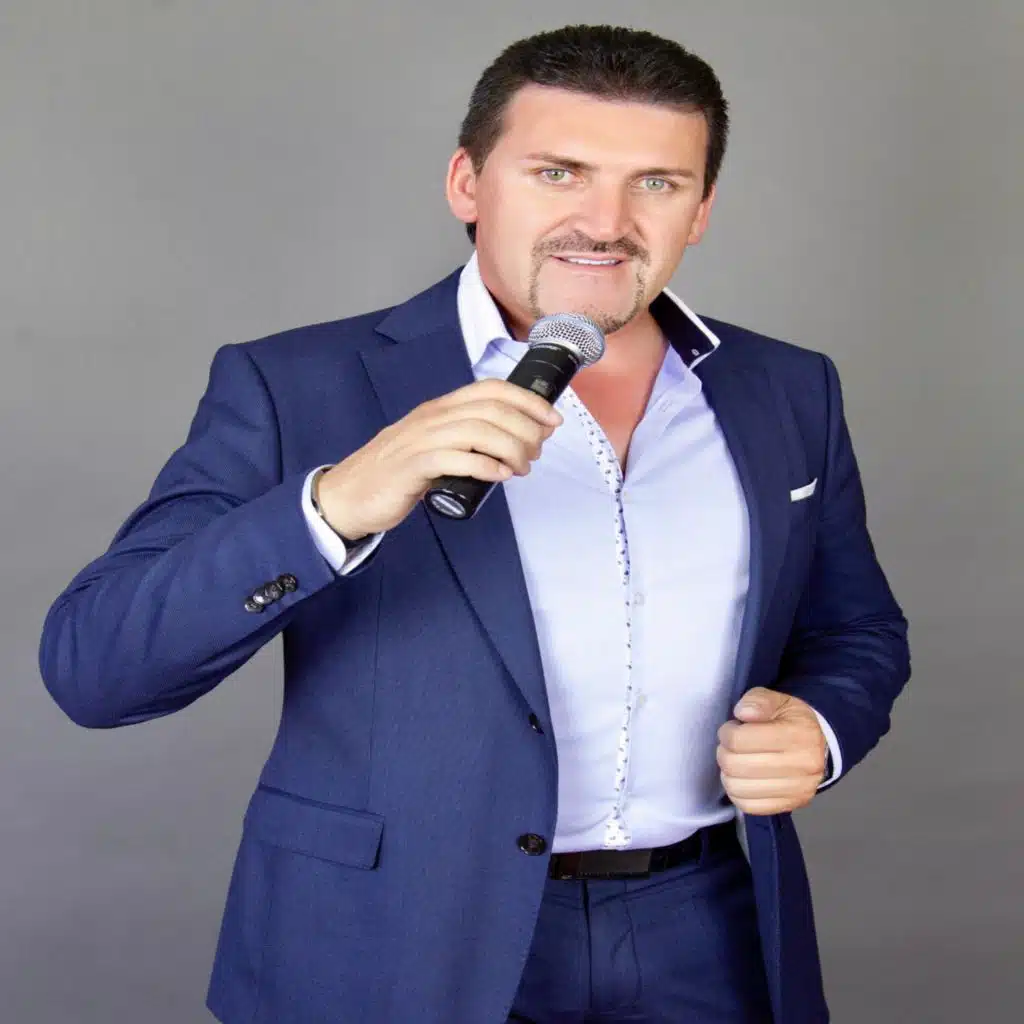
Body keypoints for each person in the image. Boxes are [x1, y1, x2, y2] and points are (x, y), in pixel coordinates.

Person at [38, 23, 910, 1024]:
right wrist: (334, 504)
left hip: (707, 930)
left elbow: (858, 631)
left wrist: (820, 729)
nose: (605, 222)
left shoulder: (788, 388)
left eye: (656, 183)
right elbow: (97, 670)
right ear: (468, 184)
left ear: (701, 209)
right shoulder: (296, 385)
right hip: (394, 939)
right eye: (557, 172)